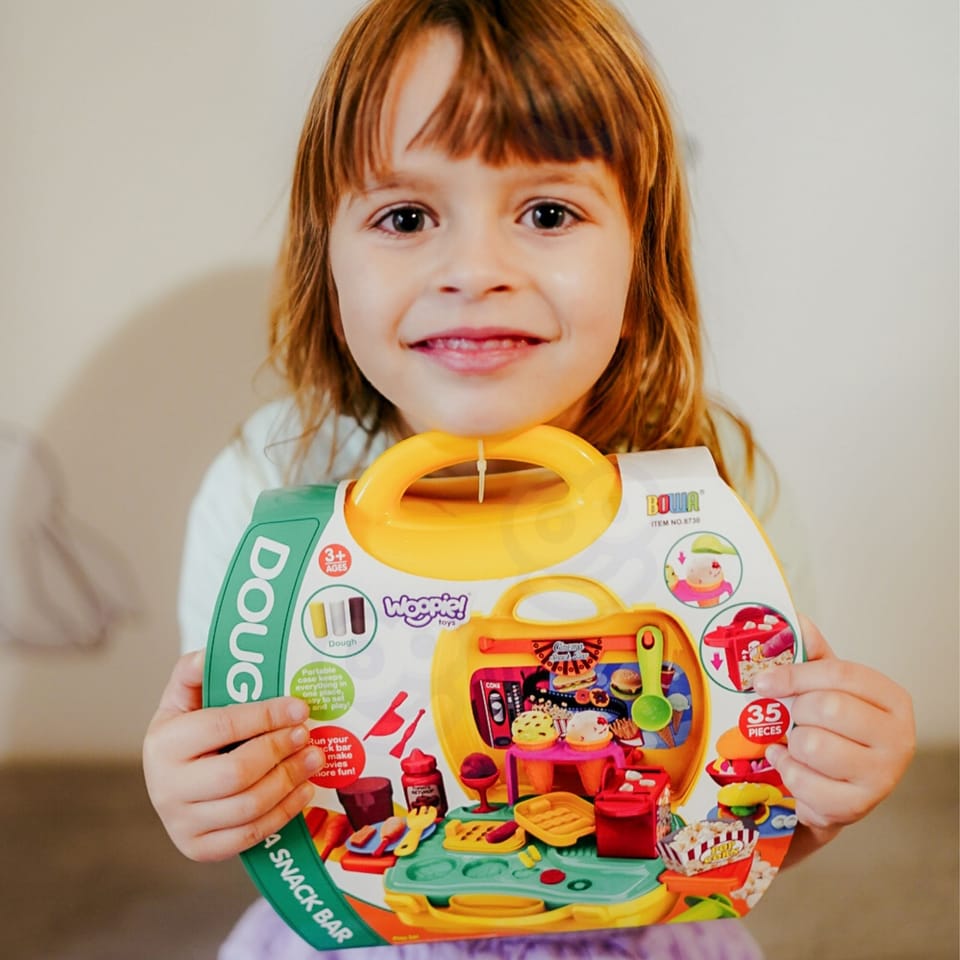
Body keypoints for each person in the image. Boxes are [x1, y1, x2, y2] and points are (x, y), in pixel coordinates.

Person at [142, 2, 915, 958]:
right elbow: (248, 774)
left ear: (641, 257)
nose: (475, 271)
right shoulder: (272, 486)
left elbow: (741, 810)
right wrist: (203, 793)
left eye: (548, 213)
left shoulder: (713, 486)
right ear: (325, 261)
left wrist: (824, 796)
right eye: (406, 216)